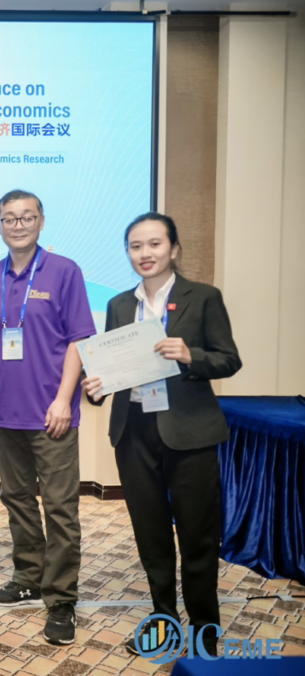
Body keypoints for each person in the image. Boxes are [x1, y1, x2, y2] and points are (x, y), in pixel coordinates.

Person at [82, 213, 240, 657]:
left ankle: (205, 631)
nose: (145, 253)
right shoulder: (119, 304)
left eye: (154, 244)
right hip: (133, 430)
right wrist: (96, 387)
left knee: (197, 536)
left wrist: (191, 355)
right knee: (151, 535)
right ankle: (164, 622)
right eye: (135, 246)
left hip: (189, 431)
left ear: (173, 249)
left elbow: (228, 359)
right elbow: (113, 367)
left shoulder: (203, 297)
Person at [0, 189, 96, 646]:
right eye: (9, 218)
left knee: (61, 508)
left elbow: (79, 339)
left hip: (52, 413)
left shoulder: (65, 271)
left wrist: (65, 400)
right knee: (18, 499)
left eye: (27, 217)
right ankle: (28, 577)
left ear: (41, 221)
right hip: (7, 413)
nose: (19, 224)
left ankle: (62, 598)